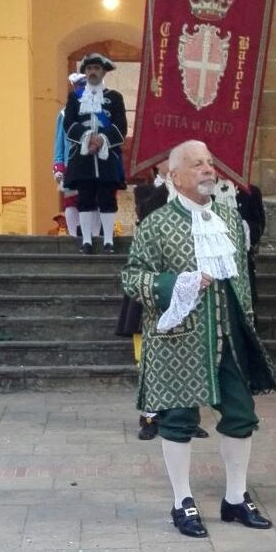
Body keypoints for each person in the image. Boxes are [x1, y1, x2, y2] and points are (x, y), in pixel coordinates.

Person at [122, 139, 276, 538]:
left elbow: (242, 278)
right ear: (175, 176)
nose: (208, 170)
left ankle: (235, 497)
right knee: (177, 420)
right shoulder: (157, 224)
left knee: (241, 415)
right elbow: (132, 277)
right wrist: (176, 284)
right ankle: (182, 500)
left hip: (230, 335)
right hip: (180, 339)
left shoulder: (228, 218)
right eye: (196, 165)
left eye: (210, 163)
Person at [116, 163, 209, 441]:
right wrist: (168, 189)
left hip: (189, 283)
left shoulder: (197, 198)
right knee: (148, 357)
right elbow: (145, 214)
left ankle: (187, 417)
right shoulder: (148, 191)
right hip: (153, 287)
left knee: (189, 355)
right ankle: (150, 417)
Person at [63, 53, 127, 254]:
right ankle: (87, 241)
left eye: (96, 68)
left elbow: (121, 127)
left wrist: (102, 140)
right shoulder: (74, 98)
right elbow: (69, 124)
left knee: (108, 199)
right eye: (89, 69)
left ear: (103, 72)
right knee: (85, 199)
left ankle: (108, 240)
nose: (92, 72)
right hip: (83, 157)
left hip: (107, 158)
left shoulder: (114, 98)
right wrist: (87, 138)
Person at [213, 177, 266, 309]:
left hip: (241, 259)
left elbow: (258, 225)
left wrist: (241, 227)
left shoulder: (251, 192)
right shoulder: (205, 191)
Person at [53, 72, 87, 238]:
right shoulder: (65, 114)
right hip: (71, 163)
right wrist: (58, 165)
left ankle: (90, 236)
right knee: (71, 201)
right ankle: (74, 237)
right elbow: (59, 142)